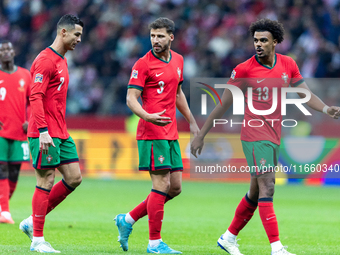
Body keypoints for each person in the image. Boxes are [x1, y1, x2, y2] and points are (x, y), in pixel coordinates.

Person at [191, 18, 340, 255]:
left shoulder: (288, 64)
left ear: (276, 42)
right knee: (268, 186)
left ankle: (228, 238)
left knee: (255, 192)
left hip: (273, 136)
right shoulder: (244, 69)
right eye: (255, 40)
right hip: (253, 135)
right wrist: (201, 133)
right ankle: (277, 248)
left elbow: (305, 94)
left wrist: (326, 109)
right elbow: (223, 105)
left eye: (263, 40)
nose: (258, 44)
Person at [114, 17, 199, 254]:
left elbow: (178, 93)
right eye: (152, 36)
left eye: (160, 36)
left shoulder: (179, 60)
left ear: (171, 37)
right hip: (151, 132)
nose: (155, 40)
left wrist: (192, 121)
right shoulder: (143, 64)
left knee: (175, 188)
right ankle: (154, 244)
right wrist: (148, 116)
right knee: (161, 184)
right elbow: (131, 98)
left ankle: (128, 219)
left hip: (170, 131)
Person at [18, 14, 83, 253]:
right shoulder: (45, 60)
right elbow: (35, 96)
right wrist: (43, 131)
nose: (79, 40)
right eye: (76, 34)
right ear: (63, 32)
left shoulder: (62, 60)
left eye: (81, 36)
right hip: (44, 131)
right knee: (45, 179)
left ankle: (30, 221)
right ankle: (37, 240)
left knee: (74, 177)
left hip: (61, 132)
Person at [0, 40, 31, 224]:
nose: (5, 52)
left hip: (20, 131)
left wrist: (30, 119)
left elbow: (33, 101)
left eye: (8, 49)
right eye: (2, 49)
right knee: (2, 168)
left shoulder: (25, 75)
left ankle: (3, 207)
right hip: (1, 132)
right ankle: (5, 211)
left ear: (14, 52)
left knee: (14, 172)